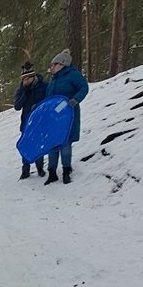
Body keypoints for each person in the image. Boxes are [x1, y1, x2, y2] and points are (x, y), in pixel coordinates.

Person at [44, 49, 89, 185]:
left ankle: (66, 171)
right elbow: (49, 98)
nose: (51, 68)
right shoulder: (53, 80)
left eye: (54, 65)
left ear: (62, 64)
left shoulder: (72, 75)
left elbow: (84, 87)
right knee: (52, 144)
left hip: (68, 117)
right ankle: (52, 172)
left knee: (65, 144)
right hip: (54, 118)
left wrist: (75, 100)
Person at [13, 61, 48, 179]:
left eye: (28, 78)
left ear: (33, 77)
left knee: (39, 145)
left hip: (40, 122)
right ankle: (25, 169)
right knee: (26, 144)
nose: (26, 81)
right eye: (24, 79)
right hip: (26, 123)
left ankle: (40, 168)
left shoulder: (43, 87)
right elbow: (17, 106)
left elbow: (48, 102)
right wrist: (24, 95)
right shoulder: (21, 90)